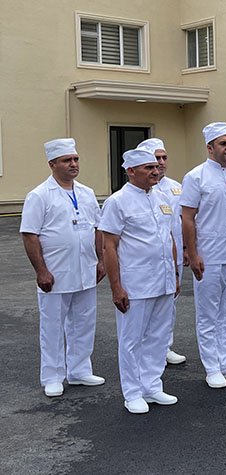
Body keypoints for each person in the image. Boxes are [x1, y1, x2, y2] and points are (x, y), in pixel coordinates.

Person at [20, 138, 105, 398]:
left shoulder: (87, 193)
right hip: (56, 273)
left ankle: (79, 370)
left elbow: (98, 228)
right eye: (67, 160)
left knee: (84, 322)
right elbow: (30, 235)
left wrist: (101, 260)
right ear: (52, 164)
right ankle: (53, 375)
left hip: (85, 269)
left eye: (76, 159)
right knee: (53, 326)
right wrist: (41, 270)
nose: (73, 164)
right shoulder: (39, 195)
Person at [100, 149, 179, 414]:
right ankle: (132, 392)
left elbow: (169, 238)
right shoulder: (117, 201)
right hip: (135, 282)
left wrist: (176, 274)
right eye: (148, 168)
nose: (156, 171)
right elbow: (108, 246)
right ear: (130, 171)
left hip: (164, 279)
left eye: (156, 166)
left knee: (158, 337)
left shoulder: (162, 197)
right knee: (132, 339)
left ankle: (152, 385)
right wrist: (116, 286)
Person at [180, 122, 226, 389]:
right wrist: (192, 252)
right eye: (223, 144)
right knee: (209, 313)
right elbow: (187, 218)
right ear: (210, 147)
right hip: (210, 254)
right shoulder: (196, 176)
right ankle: (212, 366)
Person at [135, 138, 188, 366]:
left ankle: (165, 345)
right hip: (146, 260)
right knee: (146, 307)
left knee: (169, 304)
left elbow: (183, 220)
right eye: (157, 159)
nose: (162, 163)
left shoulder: (176, 187)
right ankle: (144, 350)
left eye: (164, 158)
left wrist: (185, 249)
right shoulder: (137, 193)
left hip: (172, 254)